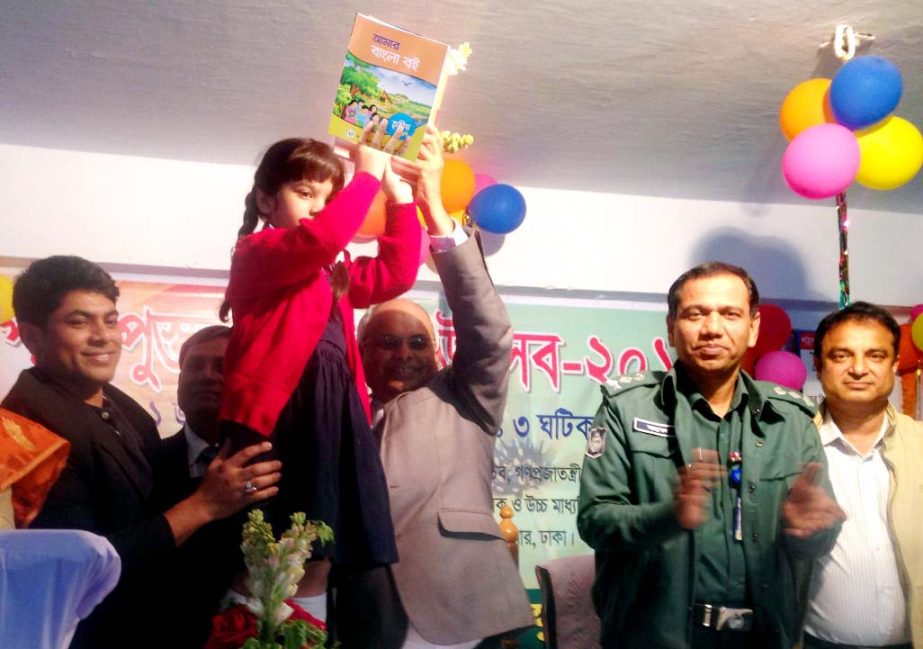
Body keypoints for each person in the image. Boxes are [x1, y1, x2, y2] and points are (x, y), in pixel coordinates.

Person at [1, 255, 280, 649]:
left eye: (110, 320)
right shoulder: (25, 436)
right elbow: (85, 567)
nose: (103, 337)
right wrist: (204, 505)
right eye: (79, 322)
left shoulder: (121, 407)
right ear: (31, 337)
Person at [577, 261, 845, 649]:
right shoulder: (627, 409)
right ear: (671, 328)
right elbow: (594, 520)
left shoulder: (791, 420)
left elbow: (815, 542)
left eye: (730, 314)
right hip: (655, 636)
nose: (712, 328)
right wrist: (668, 515)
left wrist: (814, 530)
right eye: (695, 314)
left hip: (764, 636)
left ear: (753, 328)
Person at [335, 126, 533, 649]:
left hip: (461, 609)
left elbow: (488, 332)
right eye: (386, 342)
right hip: (366, 616)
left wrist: (435, 216)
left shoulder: (464, 397)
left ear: (438, 352)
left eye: (418, 342)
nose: (403, 353)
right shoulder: (342, 408)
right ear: (361, 349)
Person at [218, 129, 420, 620]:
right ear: (267, 200)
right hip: (279, 417)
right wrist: (366, 174)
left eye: (328, 197)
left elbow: (397, 275)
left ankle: (304, 634)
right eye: (305, 193)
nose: (318, 208)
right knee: (266, 554)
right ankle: (247, 633)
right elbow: (323, 235)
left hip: (333, 417)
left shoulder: (334, 269)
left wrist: (402, 197)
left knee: (318, 557)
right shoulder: (257, 252)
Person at [803, 302, 923, 649]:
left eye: (875, 355)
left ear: (895, 364)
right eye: (841, 356)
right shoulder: (791, 449)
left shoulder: (919, 445)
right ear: (819, 365)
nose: (858, 369)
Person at [152, 324, 236, 649]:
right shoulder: (145, 463)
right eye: (194, 366)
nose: (206, 376)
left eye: (222, 367)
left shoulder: (276, 466)